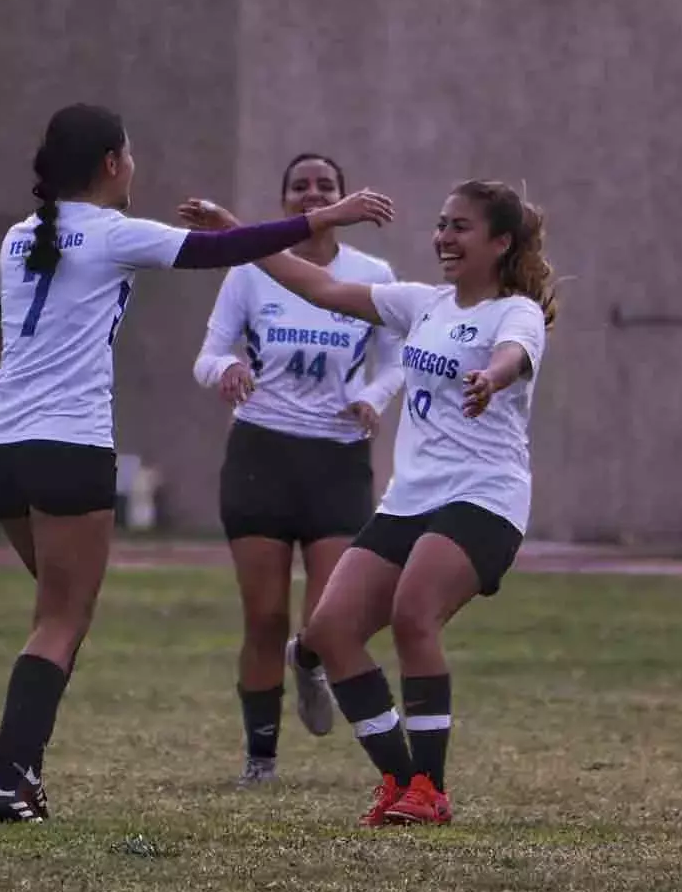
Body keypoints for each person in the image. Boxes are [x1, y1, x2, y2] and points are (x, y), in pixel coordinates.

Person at [0, 103, 394, 822]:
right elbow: (227, 253)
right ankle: (7, 777)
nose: (135, 167)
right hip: (65, 444)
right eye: (129, 155)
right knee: (62, 619)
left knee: (59, 612)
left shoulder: (19, 238)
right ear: (111, 163)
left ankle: (20, 777)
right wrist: (327, 217)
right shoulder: (112, 233)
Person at [180, 179, 555, 827]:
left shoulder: (512, 313)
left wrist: (490, 378)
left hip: (484, 497)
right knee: (329, 631)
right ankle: (399, 780)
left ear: (500, 242)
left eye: (461, 227)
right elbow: (317, 286)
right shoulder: (422, 303)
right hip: (410, 499)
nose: (444, 237)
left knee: (414, 613)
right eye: (441, 223)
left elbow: (513, 356)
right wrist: (234, 233)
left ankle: (429, 789)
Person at [190, 153, 404, 788]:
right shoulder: (252, 270)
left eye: (325, 186)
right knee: (263, 617)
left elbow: (398, 360)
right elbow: (207, 353)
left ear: (342, 198)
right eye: (300, 186)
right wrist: (224, 370)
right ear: (284, 199)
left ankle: (308, 661)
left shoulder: (373, 275)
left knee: (330, 618)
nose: (313, 194)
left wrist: (374, 396)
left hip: (337, 459)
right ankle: (260, 757)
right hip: (261, 454)